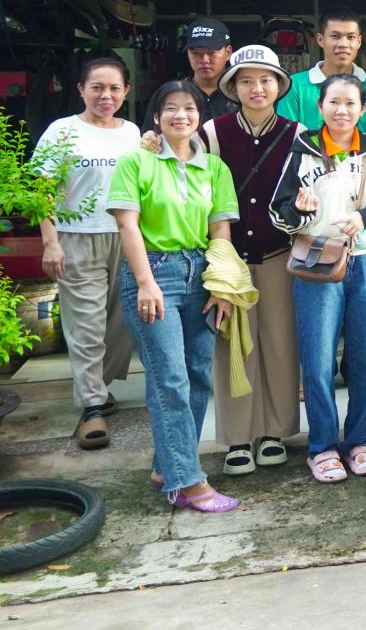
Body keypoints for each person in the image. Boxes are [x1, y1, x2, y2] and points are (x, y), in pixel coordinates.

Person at [107, 80, 242, 512]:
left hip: (201, 273)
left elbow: (220, 230)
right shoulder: (137, 161)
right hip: (153, 272)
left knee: (198, 374)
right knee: (170, 378)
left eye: (189, 108)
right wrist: (145, 282)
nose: (180, 115)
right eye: (170, 108)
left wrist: (222, 285)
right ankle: (188, 482)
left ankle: (166, 467)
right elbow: (127, 225)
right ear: (156, 116)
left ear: (199, 117)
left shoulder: (214, 168)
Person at [273, 72, 366, 482]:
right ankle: (322, 446)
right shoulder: (302, 151)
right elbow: (278, 212)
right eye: (333, 102)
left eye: (351, 103)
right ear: (320, 107)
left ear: (363, 109)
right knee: (318, 360)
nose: (342, 110)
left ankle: (361, 440)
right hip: (317, 261)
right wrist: (300, 211)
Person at [202, 45, 305, 478]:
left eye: (265, 80)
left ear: (279, 86)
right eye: (246, 80)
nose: (256, 88)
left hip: (280, 255)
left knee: (280, 344)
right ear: (233, 87)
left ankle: (274, 433)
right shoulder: (213, 132)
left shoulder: (297, 133)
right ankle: (238, 438)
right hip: (229, 259)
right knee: (233, 346)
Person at [36, 57, 141, 449]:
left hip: (126, 238)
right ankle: (92, 406)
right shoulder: (62, 131)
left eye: (114, 88)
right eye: (97, 87)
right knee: (87, 326)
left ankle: (99, 386)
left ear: (126, 91)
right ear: (81, 89)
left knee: (121, 323)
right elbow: (41, 191)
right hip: (77, 237)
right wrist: (50, 242)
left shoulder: (132, 133)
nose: (105, 95)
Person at [278, 8, 366, 135]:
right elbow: (288, 137)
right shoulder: (294, 85)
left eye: (351, 37)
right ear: (320, 39)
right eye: (335, 36)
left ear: (359, 41)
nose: (343, 44)